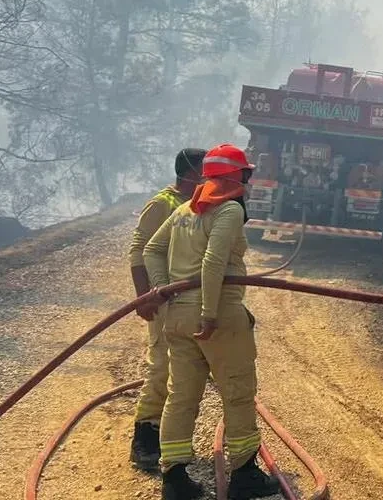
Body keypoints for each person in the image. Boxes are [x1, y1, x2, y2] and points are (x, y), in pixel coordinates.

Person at [142, 143, 279, 500]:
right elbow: (213, 261)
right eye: (246, 175)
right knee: (237, 391)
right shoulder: (229, 210)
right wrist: (209, 314)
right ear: (236, 176)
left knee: (181, 396)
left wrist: (165, 290)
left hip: (178, 319)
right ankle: (245, 475)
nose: (248, 182)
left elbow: (151, 250)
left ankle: (174, 481)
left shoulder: (186, 210)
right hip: (217, 317)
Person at [128, 148, 208, 472]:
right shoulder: (162, 203)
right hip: (164, 301)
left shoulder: (201, 204)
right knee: (161, 367)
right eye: (205, 170)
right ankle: (144, 437)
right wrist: (145, 297)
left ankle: (168, 439)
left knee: (185, 373)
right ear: (190, 172)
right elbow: (137, 252)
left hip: (188, 302)